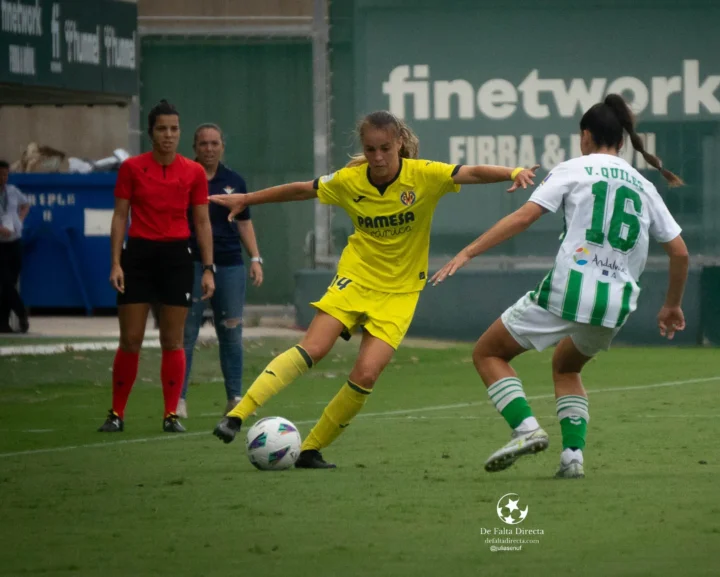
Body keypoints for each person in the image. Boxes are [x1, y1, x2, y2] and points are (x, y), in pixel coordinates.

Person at [208, 110, 538, 469]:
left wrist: (513, 172)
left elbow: (470, 172)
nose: (377, 158)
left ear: (399, 143)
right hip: (357, 277)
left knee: (366, 374)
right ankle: (237, 415)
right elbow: (303, 189)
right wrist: (247, 199)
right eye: (370, 149)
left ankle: (311, 449)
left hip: (400, 293)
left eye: (384, 148)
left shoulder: (423, 175)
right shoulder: (349, 181)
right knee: (314, 348)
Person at [431, 94, 689, 479]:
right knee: (566, 365)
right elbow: (680, 253)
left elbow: (523, 218)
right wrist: (671, 306)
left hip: (571, 289)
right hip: (616, 304)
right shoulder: (643, 185)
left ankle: (526, 430)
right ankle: (572, 457)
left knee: (488, 354)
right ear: (620, 141)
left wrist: (467, 252)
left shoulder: (573, 169)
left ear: (586, 136)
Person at [98, 100, 216, 434]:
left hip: (177, 257)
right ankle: (116, 413)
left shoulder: (192, 172)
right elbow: (120, 215)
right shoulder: (132, 168)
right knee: (131, 338)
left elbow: (203, 222)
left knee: (172, 339)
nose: (168, 135)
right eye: (162, 128)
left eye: (174, 129)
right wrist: (116, 263)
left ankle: (171, 414)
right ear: (151, 132)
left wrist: (208, 268)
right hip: (138, 256)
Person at [176, 123, 264, 419]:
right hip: (191, 262)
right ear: (194, 148)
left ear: (222, 146)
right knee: (186, 332)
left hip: (229, 264)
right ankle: (178, 400)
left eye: (215, 143)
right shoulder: (185, 177)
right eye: (203, 144)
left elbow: (244, 222)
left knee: (231, 331)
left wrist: (255, 258)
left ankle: (235, 397)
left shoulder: (234, 181)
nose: (209, 149)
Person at [0, 160, 31, 333]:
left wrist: (19, 220)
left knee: (9, 283)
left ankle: (3, 323)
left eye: (5, 174)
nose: (3, 178)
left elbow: (25, 204)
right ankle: (21, 312)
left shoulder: (12, 191)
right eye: (0, 174)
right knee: (4, 282)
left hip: (14, 242)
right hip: (0, 244)